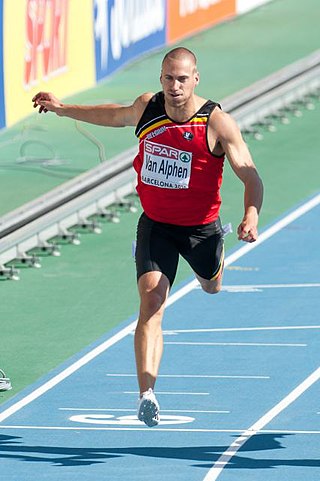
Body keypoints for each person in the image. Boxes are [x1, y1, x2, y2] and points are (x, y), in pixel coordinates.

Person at [32, 47, 263, 427]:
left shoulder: (217, 124)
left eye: (183, 79)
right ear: (161, 78)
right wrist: (63, 108)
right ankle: (147, 394)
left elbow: (251, 175)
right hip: (156, 224)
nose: (175, 86)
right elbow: (115, 114)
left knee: (212, 285)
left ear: (196, 79)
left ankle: (212, 263)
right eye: (169, 78)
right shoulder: (147, 108)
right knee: (152, 301)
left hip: (201, 229)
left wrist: (250, 215)